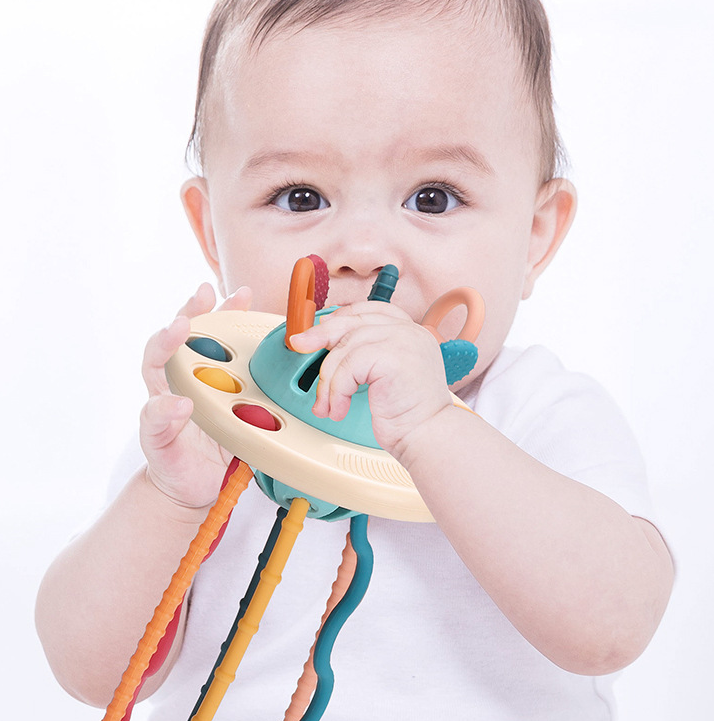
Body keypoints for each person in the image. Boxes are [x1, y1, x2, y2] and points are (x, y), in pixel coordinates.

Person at [35, 1, 674, 719]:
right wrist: (168, 496)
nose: (362, 250)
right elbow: (91, 671)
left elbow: (614, 625)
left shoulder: (537, 410)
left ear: (534, 235)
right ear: (210, 230)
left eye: (432, 197)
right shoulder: (210, 425)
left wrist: (433, 426)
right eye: (299, 195)